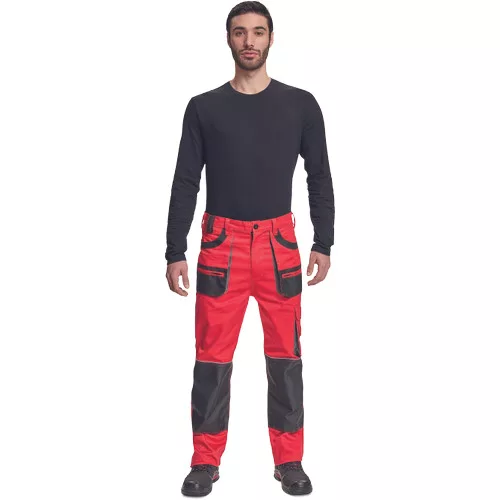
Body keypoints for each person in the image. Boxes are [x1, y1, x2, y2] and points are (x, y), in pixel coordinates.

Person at [165, 1, 335, 496]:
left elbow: (319, 176)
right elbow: (185, 181)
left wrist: (324, 240)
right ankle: (204, 461)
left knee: (286, 359)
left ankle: (289, 460)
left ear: (271, 38)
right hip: (221, 246)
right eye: (240, 32)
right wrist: (174, 249)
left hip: (280, 246)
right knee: (211, 360)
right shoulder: (203, 107)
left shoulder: (301, 104)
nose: (249, 41)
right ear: (228, 39)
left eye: (258, 32)